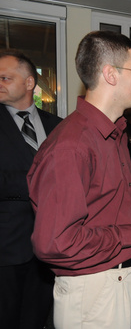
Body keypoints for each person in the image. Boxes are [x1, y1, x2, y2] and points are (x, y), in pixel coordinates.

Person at [27, 30, 131, 329]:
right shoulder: (72, 146)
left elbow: (100, 202)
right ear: (110, 74)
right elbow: (55, 243)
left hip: (118, 281)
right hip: (95, 291)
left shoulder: (114, 132)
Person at [0, 49, 62, 329]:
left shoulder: (58, 126)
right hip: (7, 246)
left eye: (5, 77)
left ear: (29, 83)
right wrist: (39, 180)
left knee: (38, 317)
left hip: (51, 244)